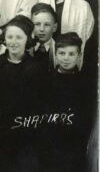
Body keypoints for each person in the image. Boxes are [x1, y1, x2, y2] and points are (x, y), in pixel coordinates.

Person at [0, 15, 45, 171]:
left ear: (27, 40)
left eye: (19, 37)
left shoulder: (35, 68)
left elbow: (40, 102)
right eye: (10, 36)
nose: (13, 41)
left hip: (26, 131)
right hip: (0, 129)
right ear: (4, 39)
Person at [42, 32, 89, 171]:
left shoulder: (85, 83)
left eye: (71, 54)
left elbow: (85, 118)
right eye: (62, 53)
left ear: (79, 55)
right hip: (49, 144)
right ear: (55, 54)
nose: (66, 58)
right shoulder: (46, 81)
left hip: (74, 145)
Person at [39, 0, 94, 69]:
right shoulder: (40, 3)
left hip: (70, 60)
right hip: (44, 59)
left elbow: (86, 34)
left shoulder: (82, 6)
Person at [30, 3, 58, 72]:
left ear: (54, 27)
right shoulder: (25, 49)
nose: (42, 29)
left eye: (47, 24)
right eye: (37, 24)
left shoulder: (60, 50)